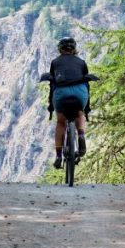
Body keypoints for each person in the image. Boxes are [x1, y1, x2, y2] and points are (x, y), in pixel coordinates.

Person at [46, 37, 90, 169]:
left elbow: (52, 85)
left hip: (61, 94)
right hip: (80, 93)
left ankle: (59, 156)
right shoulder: (82, 62)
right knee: (80, 114)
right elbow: (87, 84)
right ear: (74, 49)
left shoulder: (55, 62)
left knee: (60, 122)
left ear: (60, 49)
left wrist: (51, 106)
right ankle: (81, 135)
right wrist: (86, 108)